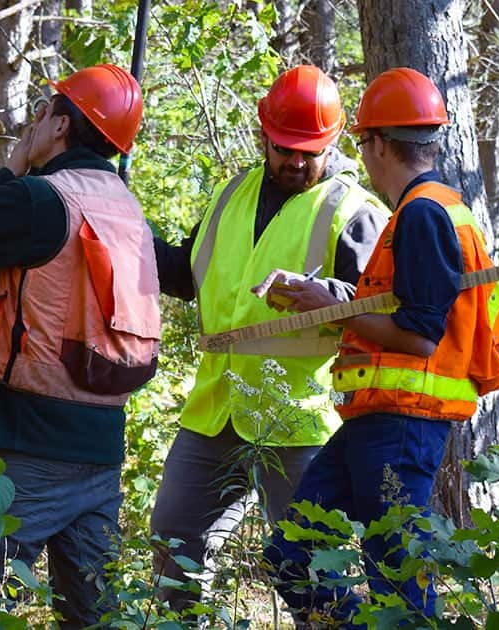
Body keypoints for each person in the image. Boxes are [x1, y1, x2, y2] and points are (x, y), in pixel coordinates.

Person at [262, 67, 499, 626]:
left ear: (378, 143)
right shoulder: (424, 211)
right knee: (291, 554)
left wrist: (329, 309)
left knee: (398, 576)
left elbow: (419, 335)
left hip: (404, 427)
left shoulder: (424, 214)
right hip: (375, 421)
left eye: (363, 142)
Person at [0, 64, 161, 627]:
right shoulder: (127, 209)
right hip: (102, 451)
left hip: (28, 446)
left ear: (59, 127)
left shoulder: (45, 200)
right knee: (93, 616)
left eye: (46, 112)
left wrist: (10, 167)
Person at [149, 65, 389, 611]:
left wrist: (323, 293)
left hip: (302, 422)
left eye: (310, 151)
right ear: (264, 135)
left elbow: (383, 311)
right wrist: (127, 231)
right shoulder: (233, 192)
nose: (296, 162)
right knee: (172, 537)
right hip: (217, 408)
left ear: (333, 142)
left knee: (308, 566)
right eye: (285, 148)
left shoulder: (354, 213)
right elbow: (189, 275)